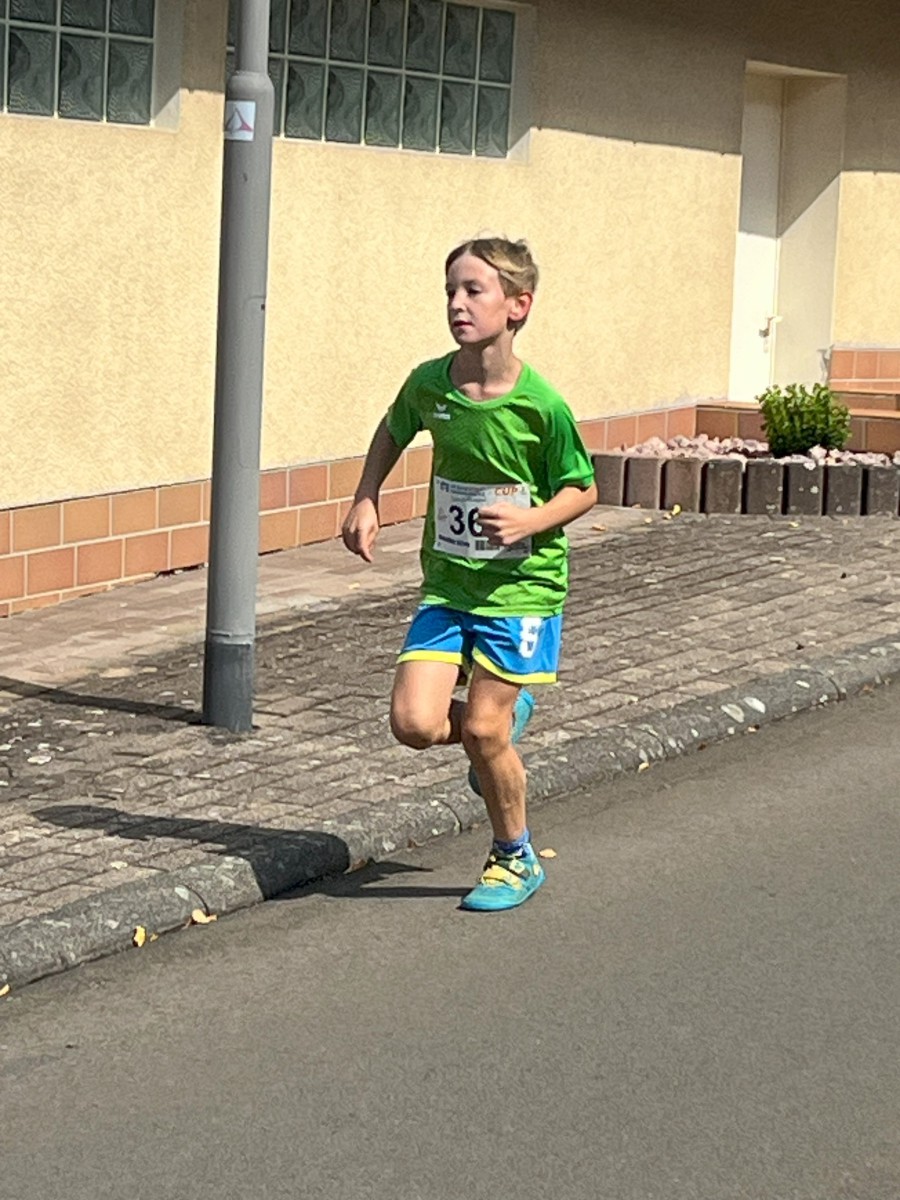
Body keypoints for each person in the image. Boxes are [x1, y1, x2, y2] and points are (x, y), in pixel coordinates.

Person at [341, 237, 597, 911]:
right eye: (450, 291)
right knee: (414, 723)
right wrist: (366, 496)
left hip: (523, 589)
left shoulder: (541, 406)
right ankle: (500, 735)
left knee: (483, 731)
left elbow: (583, 488)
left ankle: (514, 857)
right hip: (450, 585)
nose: (457, 303)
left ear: (518, 306)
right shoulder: (431, 383)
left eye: (473, 291)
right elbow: (394, 428)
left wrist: (531, 520)